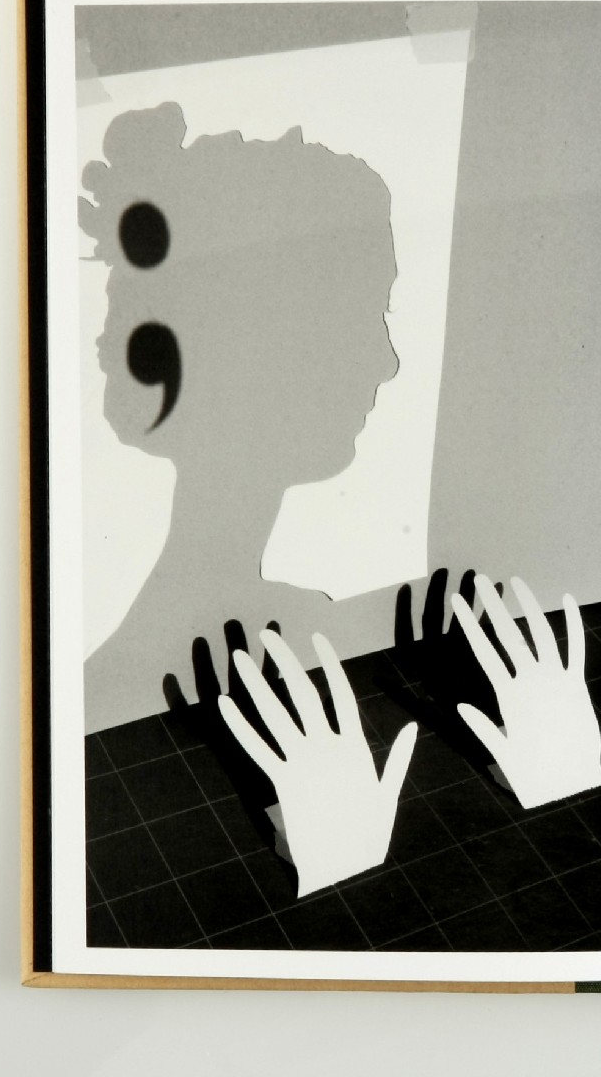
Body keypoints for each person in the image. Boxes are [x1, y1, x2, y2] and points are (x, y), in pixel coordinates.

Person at [80, 103, 400, 732]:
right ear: (257, 344)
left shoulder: (288, 629)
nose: (387, 363)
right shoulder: (127, 692)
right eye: (366, 315)